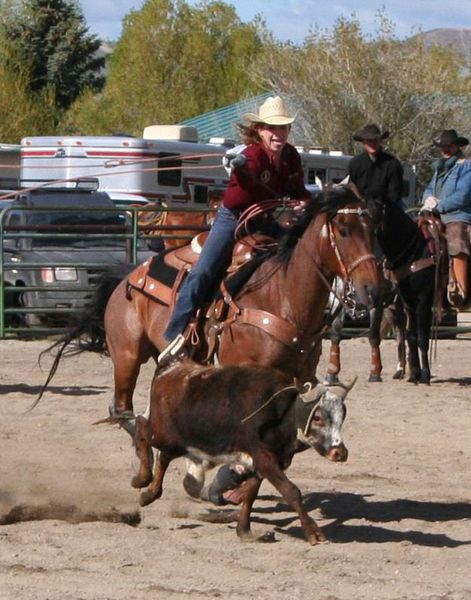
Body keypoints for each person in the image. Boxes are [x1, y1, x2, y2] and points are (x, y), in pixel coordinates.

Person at [157, 95, 310, 364]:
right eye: (272, 128)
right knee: (204, 270)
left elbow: (300, 191)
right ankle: (176, 333)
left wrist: (306, 202)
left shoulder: (291, 158)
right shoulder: (251, 155)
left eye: (283, 128)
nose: (278, 134)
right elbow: (241, 183)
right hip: (234, 219)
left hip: (265, 221)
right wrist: (238, 167)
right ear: (260, 130)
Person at [421, 129, 471, 307]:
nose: (445, 150)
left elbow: (463, 195)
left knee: (456, 236)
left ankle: (459, 288)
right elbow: (429, 189)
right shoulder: (439, 169)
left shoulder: (466, 167)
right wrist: (427, 200)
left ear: (456, 146)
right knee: (417, 232)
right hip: (435, 214)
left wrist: (439, 205)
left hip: (458, 215)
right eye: (443, 147)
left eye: (448, 146)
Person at [348, 123, 404, 205]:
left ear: (380, 141)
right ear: (363, 142)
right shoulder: (355, 163)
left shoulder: (392, 164)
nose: (372, 144)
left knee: (403, 214)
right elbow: (348, 185)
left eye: (375, 140)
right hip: (359, 207)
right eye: (369, 141)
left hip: (387, 207)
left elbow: (395, 194)